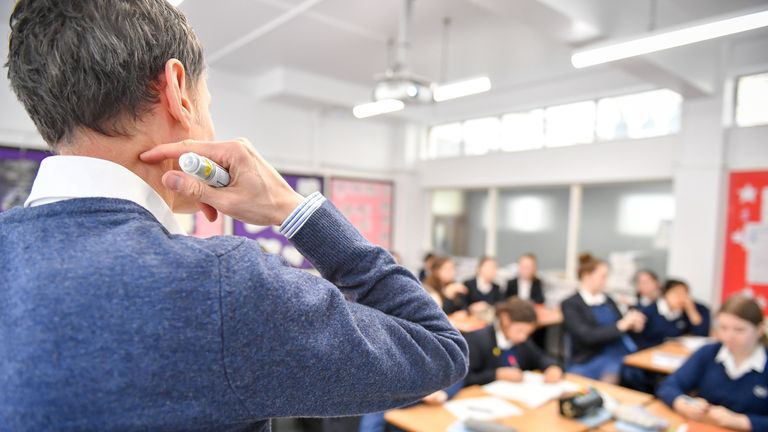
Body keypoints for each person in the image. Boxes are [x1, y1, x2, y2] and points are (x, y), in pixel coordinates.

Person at [0, 1, 468, 430]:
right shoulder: (220, 284)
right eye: (208, 102)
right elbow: (438, 347)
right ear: (176, 90)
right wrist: (291, 207)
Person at [657, 295, 767, 431]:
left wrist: (738, 421)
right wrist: (684, 404)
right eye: (723, 328)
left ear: (759, 329)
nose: (729, 336)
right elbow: (669, 385)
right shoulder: (709, 353)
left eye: (739, 330)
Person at [562, 253, 646, 383]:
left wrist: (634, 325)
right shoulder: (570, 304)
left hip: (617, 353)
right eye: (603, 276)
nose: (606, 281)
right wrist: (622, 325)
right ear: (586, 276)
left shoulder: (608, 300)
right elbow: (587, 336)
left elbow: (620, 325)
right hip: (588, 358)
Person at [464, 298, 563, 386]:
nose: (523, 337)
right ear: (505, 319)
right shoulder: (478, 340)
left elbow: (540, 357)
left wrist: (552, 367)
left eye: (528, 333)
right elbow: (465, 378)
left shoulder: (522, 341)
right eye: (519, 330)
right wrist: (496, 374)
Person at [636, 279, 710, 350]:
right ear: (665, 294)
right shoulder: (649, 311)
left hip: (674, 352)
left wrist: (691, 310)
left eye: (685, 294)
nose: (681, 298)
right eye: (677, 293)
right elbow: (641, 340)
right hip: (651, 353)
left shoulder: (684, 312)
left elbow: (702, 334)